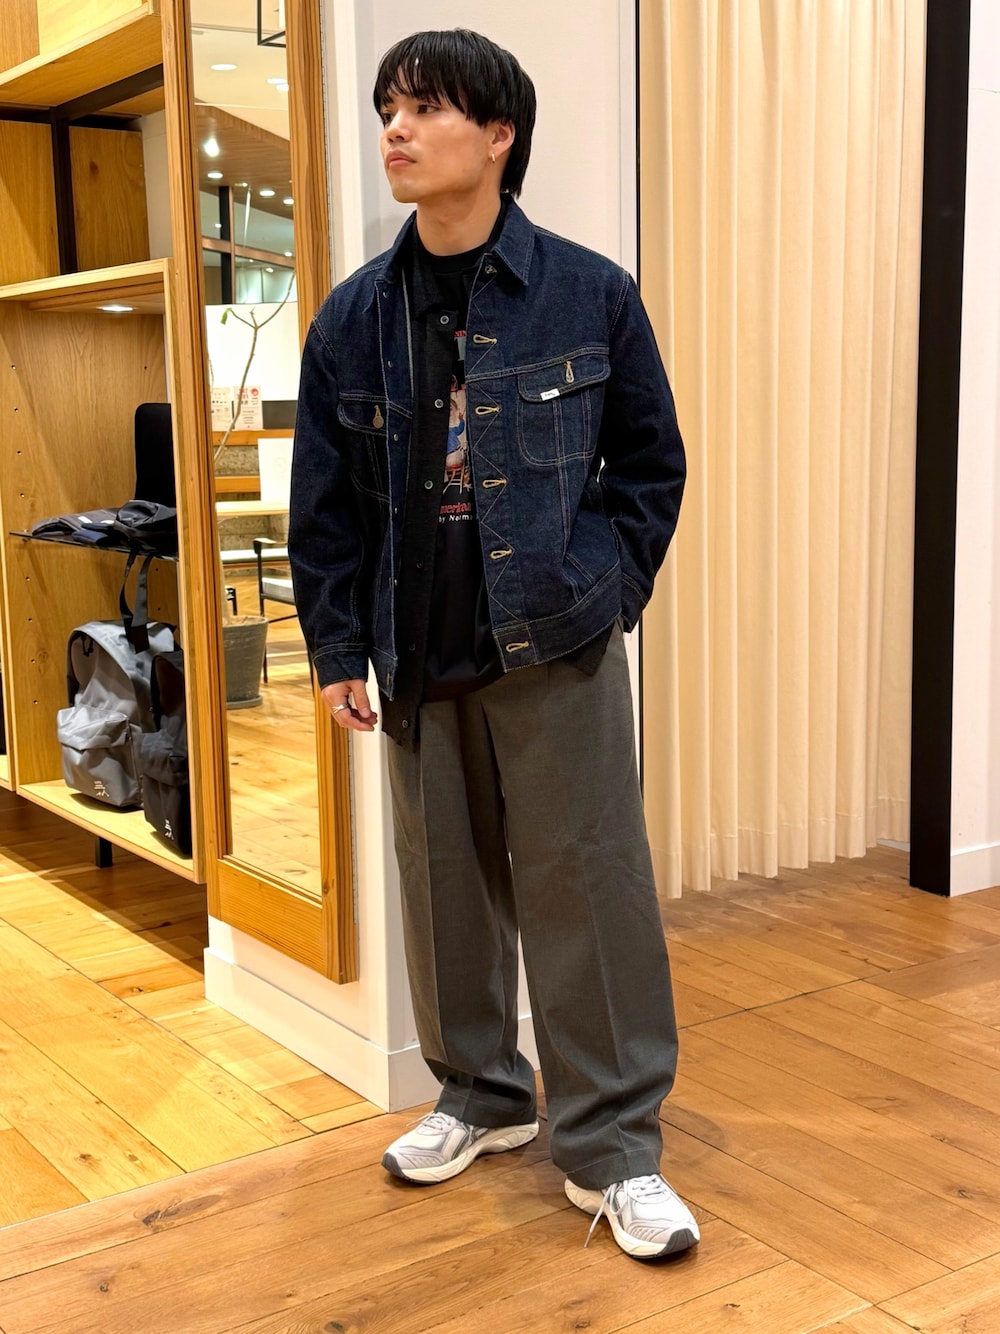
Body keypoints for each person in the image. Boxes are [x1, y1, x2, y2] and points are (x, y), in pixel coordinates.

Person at [288, 28, 695, 1261]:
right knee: (443, 893)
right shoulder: (354, 316)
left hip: (555, 650)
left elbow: (650, 465)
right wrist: (338, 645)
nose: (396, 130)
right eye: (388, 108)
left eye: (424, 108)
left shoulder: (588, 292)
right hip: (418, 654)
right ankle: (481, 1094)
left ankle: (614, 1145)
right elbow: (325, 505)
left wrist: (605, 591)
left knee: (590, 891)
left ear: (499, 133)